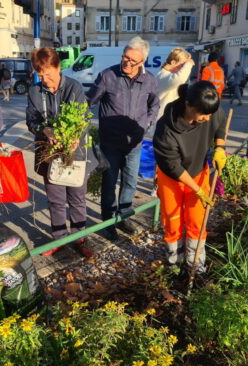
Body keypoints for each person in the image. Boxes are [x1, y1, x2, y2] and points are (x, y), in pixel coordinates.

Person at [87, 36, 160, 240]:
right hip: (110, 143)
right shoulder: (107, 76)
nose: (126, 63)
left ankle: (124, 216)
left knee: (129, 183)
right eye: (124, 57)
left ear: (142, 62)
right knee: (109, 184)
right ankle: (108, 222)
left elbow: (154, 104)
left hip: (135, 143)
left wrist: (147, 123)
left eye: (132, 60)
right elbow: (88, 102)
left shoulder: (150, 80)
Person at [153, 81, 226, 277]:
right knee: (173, 220)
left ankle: (195, 264)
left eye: (209, 114)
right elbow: (173, 166)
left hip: (199, 171)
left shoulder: (208, 110)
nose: (208, 118)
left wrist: (220, 148)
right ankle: (174, 264)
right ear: (188, 105)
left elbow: (220, 121)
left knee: (197, 220)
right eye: (203, 114)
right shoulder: (165, 130)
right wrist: (198, 189)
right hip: (171, 178)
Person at [26, 47, 94, 258]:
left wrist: (75, 138)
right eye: (40, 75)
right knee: (55, 200)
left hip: (76, 153)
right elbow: (31, 120)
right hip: (50, 153)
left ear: (58, 67)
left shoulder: (73, 87)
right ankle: (59, 239)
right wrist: (44, 129)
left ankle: (79, 238)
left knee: (77, 198)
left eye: (49, 73)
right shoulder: (34, 92)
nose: (45, 79)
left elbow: (83, 118)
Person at [156, 48, 194, 119]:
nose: (184, 68)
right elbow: (179, 79)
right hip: (161, 121)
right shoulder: (163, 75)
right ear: (173, 62)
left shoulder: (168, 75)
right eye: (183, 65)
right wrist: (188, 64)